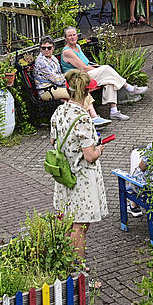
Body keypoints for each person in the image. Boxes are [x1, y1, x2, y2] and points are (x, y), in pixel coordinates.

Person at [50, 69, 108, 260]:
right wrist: (100, 149)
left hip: (63, 175)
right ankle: (77, 270)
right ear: (85, 93)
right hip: (80, 178)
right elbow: (90, 156)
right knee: (80, 225)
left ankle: (65, 263)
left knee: (67, 221)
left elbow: (53, 142)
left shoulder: (60, 111)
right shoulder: (83, 118)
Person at [60, 27, 147, 121]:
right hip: (77, 79)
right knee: (106, 69)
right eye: (70, 36)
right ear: (66, 38)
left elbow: (87, 63)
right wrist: (100, 69)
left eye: (74, 35)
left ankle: (114, 111)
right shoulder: (67, 51)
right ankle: (129, 88)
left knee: (110, 81)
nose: (73, 37)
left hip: (86, 74)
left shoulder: (78, 46)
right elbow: (84, 68)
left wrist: (97, 67)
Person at [32, 36, 110, 127]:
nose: (46, 50)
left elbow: (59, 76)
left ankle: (93, 118)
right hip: (47, 90)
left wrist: (67, 80)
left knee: (82, 91)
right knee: (77, 93)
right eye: (43, 48)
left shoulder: (52, 58)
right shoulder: (41, 62)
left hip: (57, 87)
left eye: (48, 48)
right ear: (40, 49)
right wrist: (69, 80)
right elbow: (56, 80)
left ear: (53, 47)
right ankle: (89, 120)